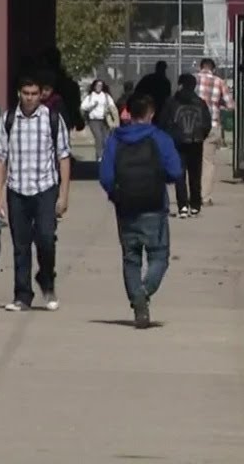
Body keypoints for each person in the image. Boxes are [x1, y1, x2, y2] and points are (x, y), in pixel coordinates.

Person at [99, 93, 182, 328]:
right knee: (159, 257)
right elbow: (175, 171)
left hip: (126, 208)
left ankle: (137, 300)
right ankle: (143, 293)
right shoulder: (160, 138)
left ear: (128, 113)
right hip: (154, 206)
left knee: (131, 258)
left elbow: (105, 175)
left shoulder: (116, 139)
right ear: (151, 114)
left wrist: (116, 194)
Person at [0, 74, 72, 312]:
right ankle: (22, 295)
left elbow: (64, 157)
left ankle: (47, 279)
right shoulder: (8, 119)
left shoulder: (52, 119)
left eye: (34, 94)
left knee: (46, 238)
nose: (29, 98)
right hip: (16, 189)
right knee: (21, 245)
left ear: (41, 95)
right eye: (25, 94)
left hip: (45, 188)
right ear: (19, 94)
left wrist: (64, 194)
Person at [159, 73, 212, 217]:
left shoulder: (171, 102)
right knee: (195, 174)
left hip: (177, 142)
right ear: (194, 86)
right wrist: (201, 136)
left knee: (179, 174)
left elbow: (163, 123)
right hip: (196, 142)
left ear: (180, 84)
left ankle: (182, 206)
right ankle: (195, 205)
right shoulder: (200, 102)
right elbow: (207, 124)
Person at [195, 58, 234, 206]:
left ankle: (191, 195)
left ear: (200, 67)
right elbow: (230, 105)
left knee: (192, 162)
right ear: (213, 68)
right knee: (208, 162)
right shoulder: (219, 82)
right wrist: (219, 104)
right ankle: (204, 197)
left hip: (192, 126)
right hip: (211, 125)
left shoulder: (193, 80)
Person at [80, 79, 117, 162]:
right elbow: (83, 107)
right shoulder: (90, 96)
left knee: (106, 139)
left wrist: (109, 110)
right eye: (97, 85)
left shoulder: (106, 96)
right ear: (94, 86)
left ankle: (105, 156)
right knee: (98, 137)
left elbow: (112, 106)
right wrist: (92, 105)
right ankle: (100, 157)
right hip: (94, 121)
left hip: (105, 120)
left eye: (100, 85)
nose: (98, 87)